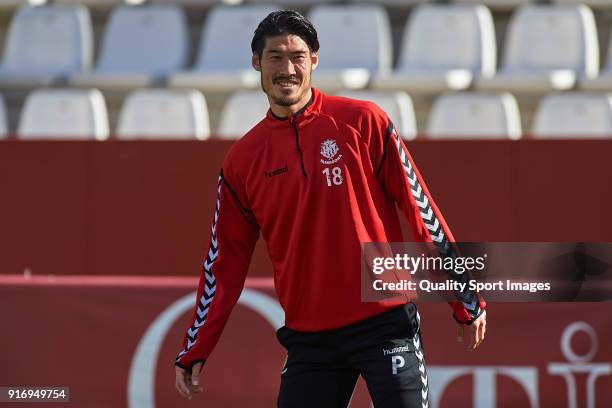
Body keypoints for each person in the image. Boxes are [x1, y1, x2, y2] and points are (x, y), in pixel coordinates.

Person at [174, 10, 487, 407]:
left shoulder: (364, 122)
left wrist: (463, 294)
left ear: (314, 61)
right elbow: (225, 264)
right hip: (309, 339)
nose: (287, 69)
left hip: (385, 324)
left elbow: (421, 210)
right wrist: (196, 346)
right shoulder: (241, 161)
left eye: (297, 57)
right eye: (275, 57)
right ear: (256, 63)